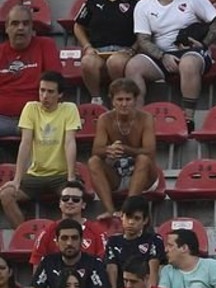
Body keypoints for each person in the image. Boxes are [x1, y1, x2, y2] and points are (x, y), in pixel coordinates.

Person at [126, 0, 216, 132]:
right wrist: (162, 56)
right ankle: (137, 118)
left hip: (193, 52)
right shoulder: (143, 5)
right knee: (133, 66)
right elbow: (143, 40)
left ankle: (188, 119)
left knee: (188, 63)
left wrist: (203, 44)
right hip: (162, 53)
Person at [0, 72, 79, 228]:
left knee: (72, 198)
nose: (44, 96)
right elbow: (26, 144)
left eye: (50, 92)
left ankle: (65, 238)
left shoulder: (69, 109)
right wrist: (17, 179)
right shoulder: (31, 108)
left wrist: (71, 178)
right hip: (35, 174)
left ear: (60, 94)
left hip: (60, 175)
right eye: (42, 90)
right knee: (6, 195)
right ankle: (27, 235)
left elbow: (70, 142)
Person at [87, 79, 156, 217]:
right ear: (112, 101)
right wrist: (108, 150)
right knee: (93, 161)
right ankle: (110, 210)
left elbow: (150, 152)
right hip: (116, 172)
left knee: (143, 159)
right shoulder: (104, 119)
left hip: (144, 174)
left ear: (135, 100)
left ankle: (127, 210)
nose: (124, 104)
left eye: (128, 99)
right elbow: (96, 150)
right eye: (119, 99)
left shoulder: (146, 118)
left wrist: (126, 149)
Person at [73, 0, 138, 103]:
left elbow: (143, 31)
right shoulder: (92, 1)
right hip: (98, 51)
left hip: (123, 50)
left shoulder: (134, 3)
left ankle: (118, 98)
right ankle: (96, 99)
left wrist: (133, 49)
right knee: (87, 62)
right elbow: (78, 26)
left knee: (115, 62)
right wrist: (87, 47)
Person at [0, 5, 60, 136]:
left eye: (25, 23)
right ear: (7, 28)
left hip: (38, 115)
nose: (20, 28)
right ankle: (21, 130)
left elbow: (54, 82)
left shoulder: (46, 45)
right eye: (15, 23)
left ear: (32, 27)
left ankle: (24, 129)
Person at [30, 219, 110, 288]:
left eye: (74, 238)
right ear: (56, 241)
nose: (69, 243)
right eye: (64, 238)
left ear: (81, 241)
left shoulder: (94, 263)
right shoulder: (48, 262)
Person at [26, 181, 109, 267]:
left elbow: (105, 266)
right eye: (65, 198)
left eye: (75, 199)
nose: (70, 202)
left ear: (83, 205)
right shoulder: (47, 232)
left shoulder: (98, 233)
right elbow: (37, 265)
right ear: (60, 203)